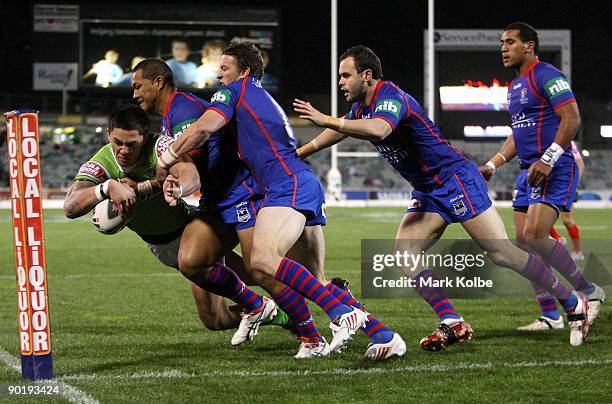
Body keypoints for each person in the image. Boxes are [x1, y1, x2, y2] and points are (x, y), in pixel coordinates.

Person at [293, 44, 591, 349]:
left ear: (366, 75)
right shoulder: (360, 108)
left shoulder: (390, 97)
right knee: (405, 250)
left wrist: (327, 118)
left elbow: (380, 129)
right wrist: (300, 152)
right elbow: (342, 130)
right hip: (429, 190)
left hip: (456, 179)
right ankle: (453, 321)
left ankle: (572, 303)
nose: (340, 82)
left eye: (346, 75)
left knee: (502, 254)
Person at [154, 42, 405, 359]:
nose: (219, 74)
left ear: (243, 71)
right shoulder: (258, 96)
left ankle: (341, 313)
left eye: (225, 67)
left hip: (286, 185)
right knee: (312, 279)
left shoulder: (234, 92)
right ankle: (383, 336)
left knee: (260, 260)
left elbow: (204, 128)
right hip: (297, 182)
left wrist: (169, 154)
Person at [132, 58, 344, 358]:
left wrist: (173, 179)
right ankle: (258, 306)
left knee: (262, 268)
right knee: (192, 263)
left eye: (138, 86)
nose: (134, 94)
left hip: (240, 195)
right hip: (216, 203)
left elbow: (194, 161)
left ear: (159, 82)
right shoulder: (171, 115)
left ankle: (319, 329)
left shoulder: (184, 109)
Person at [63, 104, 274, 336]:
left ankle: (299, 312)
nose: (123, 150)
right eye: (117, 142)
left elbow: (190, 175)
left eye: (131, 144)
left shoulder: (159, 146)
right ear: (108, 135)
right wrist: (106, 187)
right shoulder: (102, 163)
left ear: (144, 137)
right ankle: (282, 311)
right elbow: (71, 207)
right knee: (216, 319)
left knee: (258, 273)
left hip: (190, 235)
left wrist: (176, 188)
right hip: (161, 247)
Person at [479, 22, 604, 332]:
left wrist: (549, 158)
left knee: (535, 235)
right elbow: (518, 133)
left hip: (555, 165)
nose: (503, 48)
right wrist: (493, 164)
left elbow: (572, 118)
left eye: (510, 42)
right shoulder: (515, 86)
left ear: (530, 46)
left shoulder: (547, 75)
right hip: (529, 170)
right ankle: (550, 315)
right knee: (525, 242)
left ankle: (589, 292)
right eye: (502, 43)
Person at [549, 141, 585, 262]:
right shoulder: (546, 137)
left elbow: (579, 162)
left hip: (565, 185)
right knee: (538, 216)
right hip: (550, 184)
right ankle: (558, 240)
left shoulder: (567, 141)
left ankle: (577, 252)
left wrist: (575, 182)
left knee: (566, 219)